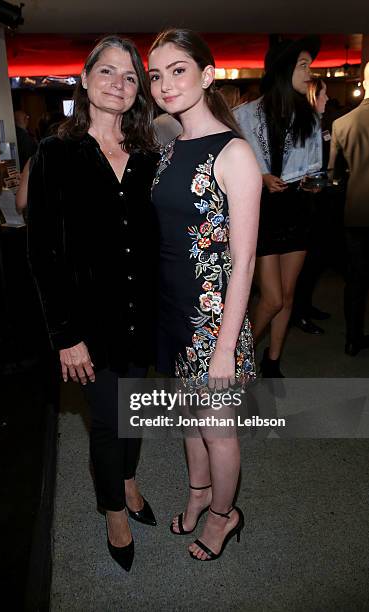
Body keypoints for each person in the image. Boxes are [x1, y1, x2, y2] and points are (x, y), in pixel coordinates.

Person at [27, 36, 158, 572]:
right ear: (84, 79)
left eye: (130, 77)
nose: (118, 85)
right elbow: (43, 252)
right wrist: (65, 334)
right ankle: (114, 512)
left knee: (134, 411)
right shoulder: (55, 153)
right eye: (107, 72)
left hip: (142, 314)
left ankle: (128, 481)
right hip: (89, 322)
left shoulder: (150, 156)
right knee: (107, 419)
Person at [148, 29, 261, 562]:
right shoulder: (170, 148)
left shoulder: (234, 153)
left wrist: (224, 346)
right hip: (172, 311)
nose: (165, 84)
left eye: (177, 70)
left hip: (213, 321)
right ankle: (197, 495)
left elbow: (244, 261)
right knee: (187, 418)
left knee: (217, 430)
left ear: (207, 75)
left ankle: (224, 516)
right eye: (156, 74)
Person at [234, 36, 322, 377]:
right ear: (285, 71)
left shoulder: (309, 117)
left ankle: (272, 361)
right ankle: (237, 359)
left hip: (297, 210)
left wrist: (312, 182)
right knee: (271, 298)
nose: (309, 72)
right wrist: (261, 176)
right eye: (304, 65)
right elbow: (230, 162)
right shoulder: (243, 115)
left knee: (287, 293)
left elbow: (313, 166)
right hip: (260, 213)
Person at [329, 62, 369, 356]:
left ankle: (352, 339)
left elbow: (333, 173)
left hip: (356, 209)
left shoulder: (342, 123)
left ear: (363, 82)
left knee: (355, 278)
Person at [291, 77, 332, 335]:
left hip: (319, 201)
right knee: (304, 263)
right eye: (323, 94)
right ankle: (298, 312)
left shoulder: (320, 124)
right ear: (312, 96)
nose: (327, 99)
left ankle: (306, 306)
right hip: (302, 203)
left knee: (317, 260)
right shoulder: (302, 127)